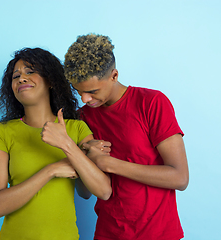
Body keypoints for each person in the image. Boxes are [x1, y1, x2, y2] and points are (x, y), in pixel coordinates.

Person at [63, 34, 189, 240]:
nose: (85, 99)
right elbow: (84, 193)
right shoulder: (83, 116)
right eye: (79, 91)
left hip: (158, 233)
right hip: (107, 232)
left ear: (114, 75)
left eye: (92, 91)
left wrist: (108, 163)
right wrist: (83, 156)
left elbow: (180, 177)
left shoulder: (152, 102)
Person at [0, 47, 111, 240]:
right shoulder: (1, 132)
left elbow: (99, 190)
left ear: (50, 80)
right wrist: (51, 170)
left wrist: (66, 145)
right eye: (15, 76)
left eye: (30, 72)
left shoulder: (76, 129)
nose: (21, 79)